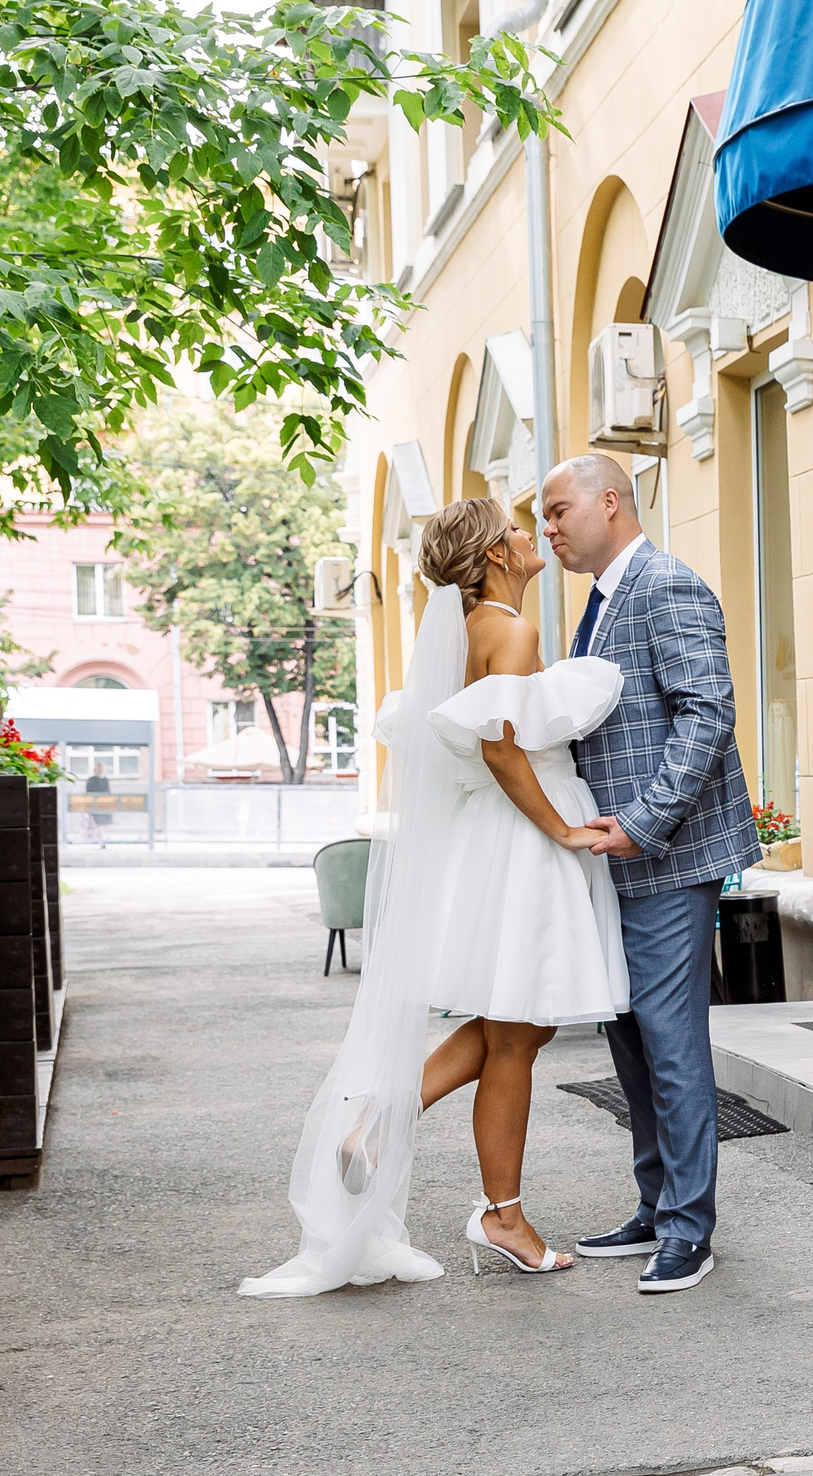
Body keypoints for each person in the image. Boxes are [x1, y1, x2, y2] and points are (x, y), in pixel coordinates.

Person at [241, 497, 629, 1297]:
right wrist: (561, 830)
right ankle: (502, 1215)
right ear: (493, 556)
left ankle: (383, 1126)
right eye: (520, 531)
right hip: (524, 840)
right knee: (519, 1034)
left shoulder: (464, 636)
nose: (533, 538)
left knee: (510, 1023)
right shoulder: (510, 632)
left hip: (492, 841)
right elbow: (502, 751)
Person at [540, 453, 758, 1296]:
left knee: (669, 1043)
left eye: (559, 510)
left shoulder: (666, 584)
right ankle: (656, 1202)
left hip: (668, 856)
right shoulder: (598, 603)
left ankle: (689, 1231)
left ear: (610, 501)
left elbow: (708, 713)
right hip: (614, 860)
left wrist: (639, 823)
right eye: (546, 517)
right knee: (628, 1041)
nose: (551, 528)